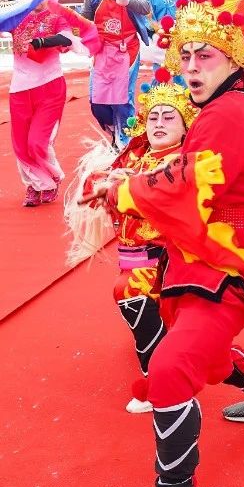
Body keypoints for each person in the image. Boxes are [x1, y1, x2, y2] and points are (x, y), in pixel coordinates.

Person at [92, 0, 244, 487]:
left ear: (232, 61)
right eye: (185, 55)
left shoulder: (229, 112)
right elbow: (182, 177)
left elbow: (191, 183)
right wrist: (125, 182)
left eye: (204, 55)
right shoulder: (219, 111)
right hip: (198, 259)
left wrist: (124, 188)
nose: (191, 65)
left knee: (170, 368)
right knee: (205, 358)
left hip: (225, 264)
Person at [65, 75, 199, 413]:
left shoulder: (184, 160)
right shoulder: (136, 158)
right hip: (137, 257)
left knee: (130, 292)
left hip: (171, 259)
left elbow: (160, 193)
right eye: (153, 116)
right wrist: (107, 182)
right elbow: (94, 186)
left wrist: (122, 185)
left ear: (185, 128)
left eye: (169, 117)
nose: (159, 122)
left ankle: (159, 381)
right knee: (139, 300)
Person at [4, 0, 73, 206]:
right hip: (20, 90)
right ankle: (34, 185)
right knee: (21, 145)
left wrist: (42, 43)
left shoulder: (56, 17)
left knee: (37, 142)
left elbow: (66, 39)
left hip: (49, 88)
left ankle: (52, 178)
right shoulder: (15, 19)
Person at [81, 0, 152, 147]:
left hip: (126, 49)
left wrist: (128, 2)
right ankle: (115, 129)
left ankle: (126, 142)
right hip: (103, 51)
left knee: (122, 100)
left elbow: (146, 7)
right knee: (97, 100)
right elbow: (84, 20)